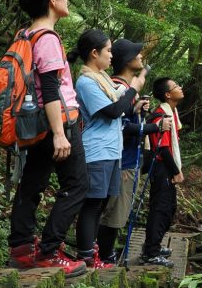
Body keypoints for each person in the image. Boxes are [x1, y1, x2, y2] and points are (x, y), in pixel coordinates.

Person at [7, 0, 88, 276]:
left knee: (32, 183)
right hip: (58, 122)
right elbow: (51, 90)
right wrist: (59, 135)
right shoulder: (49, 38)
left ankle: (21, 249)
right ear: (52, 2)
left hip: (32, 122)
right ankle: (48, 253)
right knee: (77, 185)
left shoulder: (25, 34)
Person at [71, 28, 145, 269]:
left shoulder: (101, 78)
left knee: (101, 205)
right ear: (94, 53)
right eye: (108, 51)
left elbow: (119, 108)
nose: (112, 56)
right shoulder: (86, 81)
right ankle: (85, 256)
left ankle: (93, 255)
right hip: (97, 150)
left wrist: (134, 105)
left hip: (112, 151)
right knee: (92, 205)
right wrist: (134, 88)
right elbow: (113, 111)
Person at [96, 39, 171, 264]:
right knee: (115, 211)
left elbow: (125, 120)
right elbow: (122, 127)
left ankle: (106, 252)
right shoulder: (120, 88)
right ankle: (105, 256)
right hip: (123, 160)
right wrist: (153, 127)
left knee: (118, 209)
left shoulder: (125, 90)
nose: (141, 57)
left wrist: (137, 111)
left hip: (127, 159)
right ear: (128, 61)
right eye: (138, 54)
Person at [139, 76, 185, 266]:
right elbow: (162, 148)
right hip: (161, 167)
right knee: (161, 209)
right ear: (168, 95)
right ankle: (151, 252)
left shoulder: (172, 112)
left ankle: (153, 245)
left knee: (168, 208)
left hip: (165, 166)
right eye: (176, 86)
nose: (180, 88)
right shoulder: (161, 115)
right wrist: (176, 171)